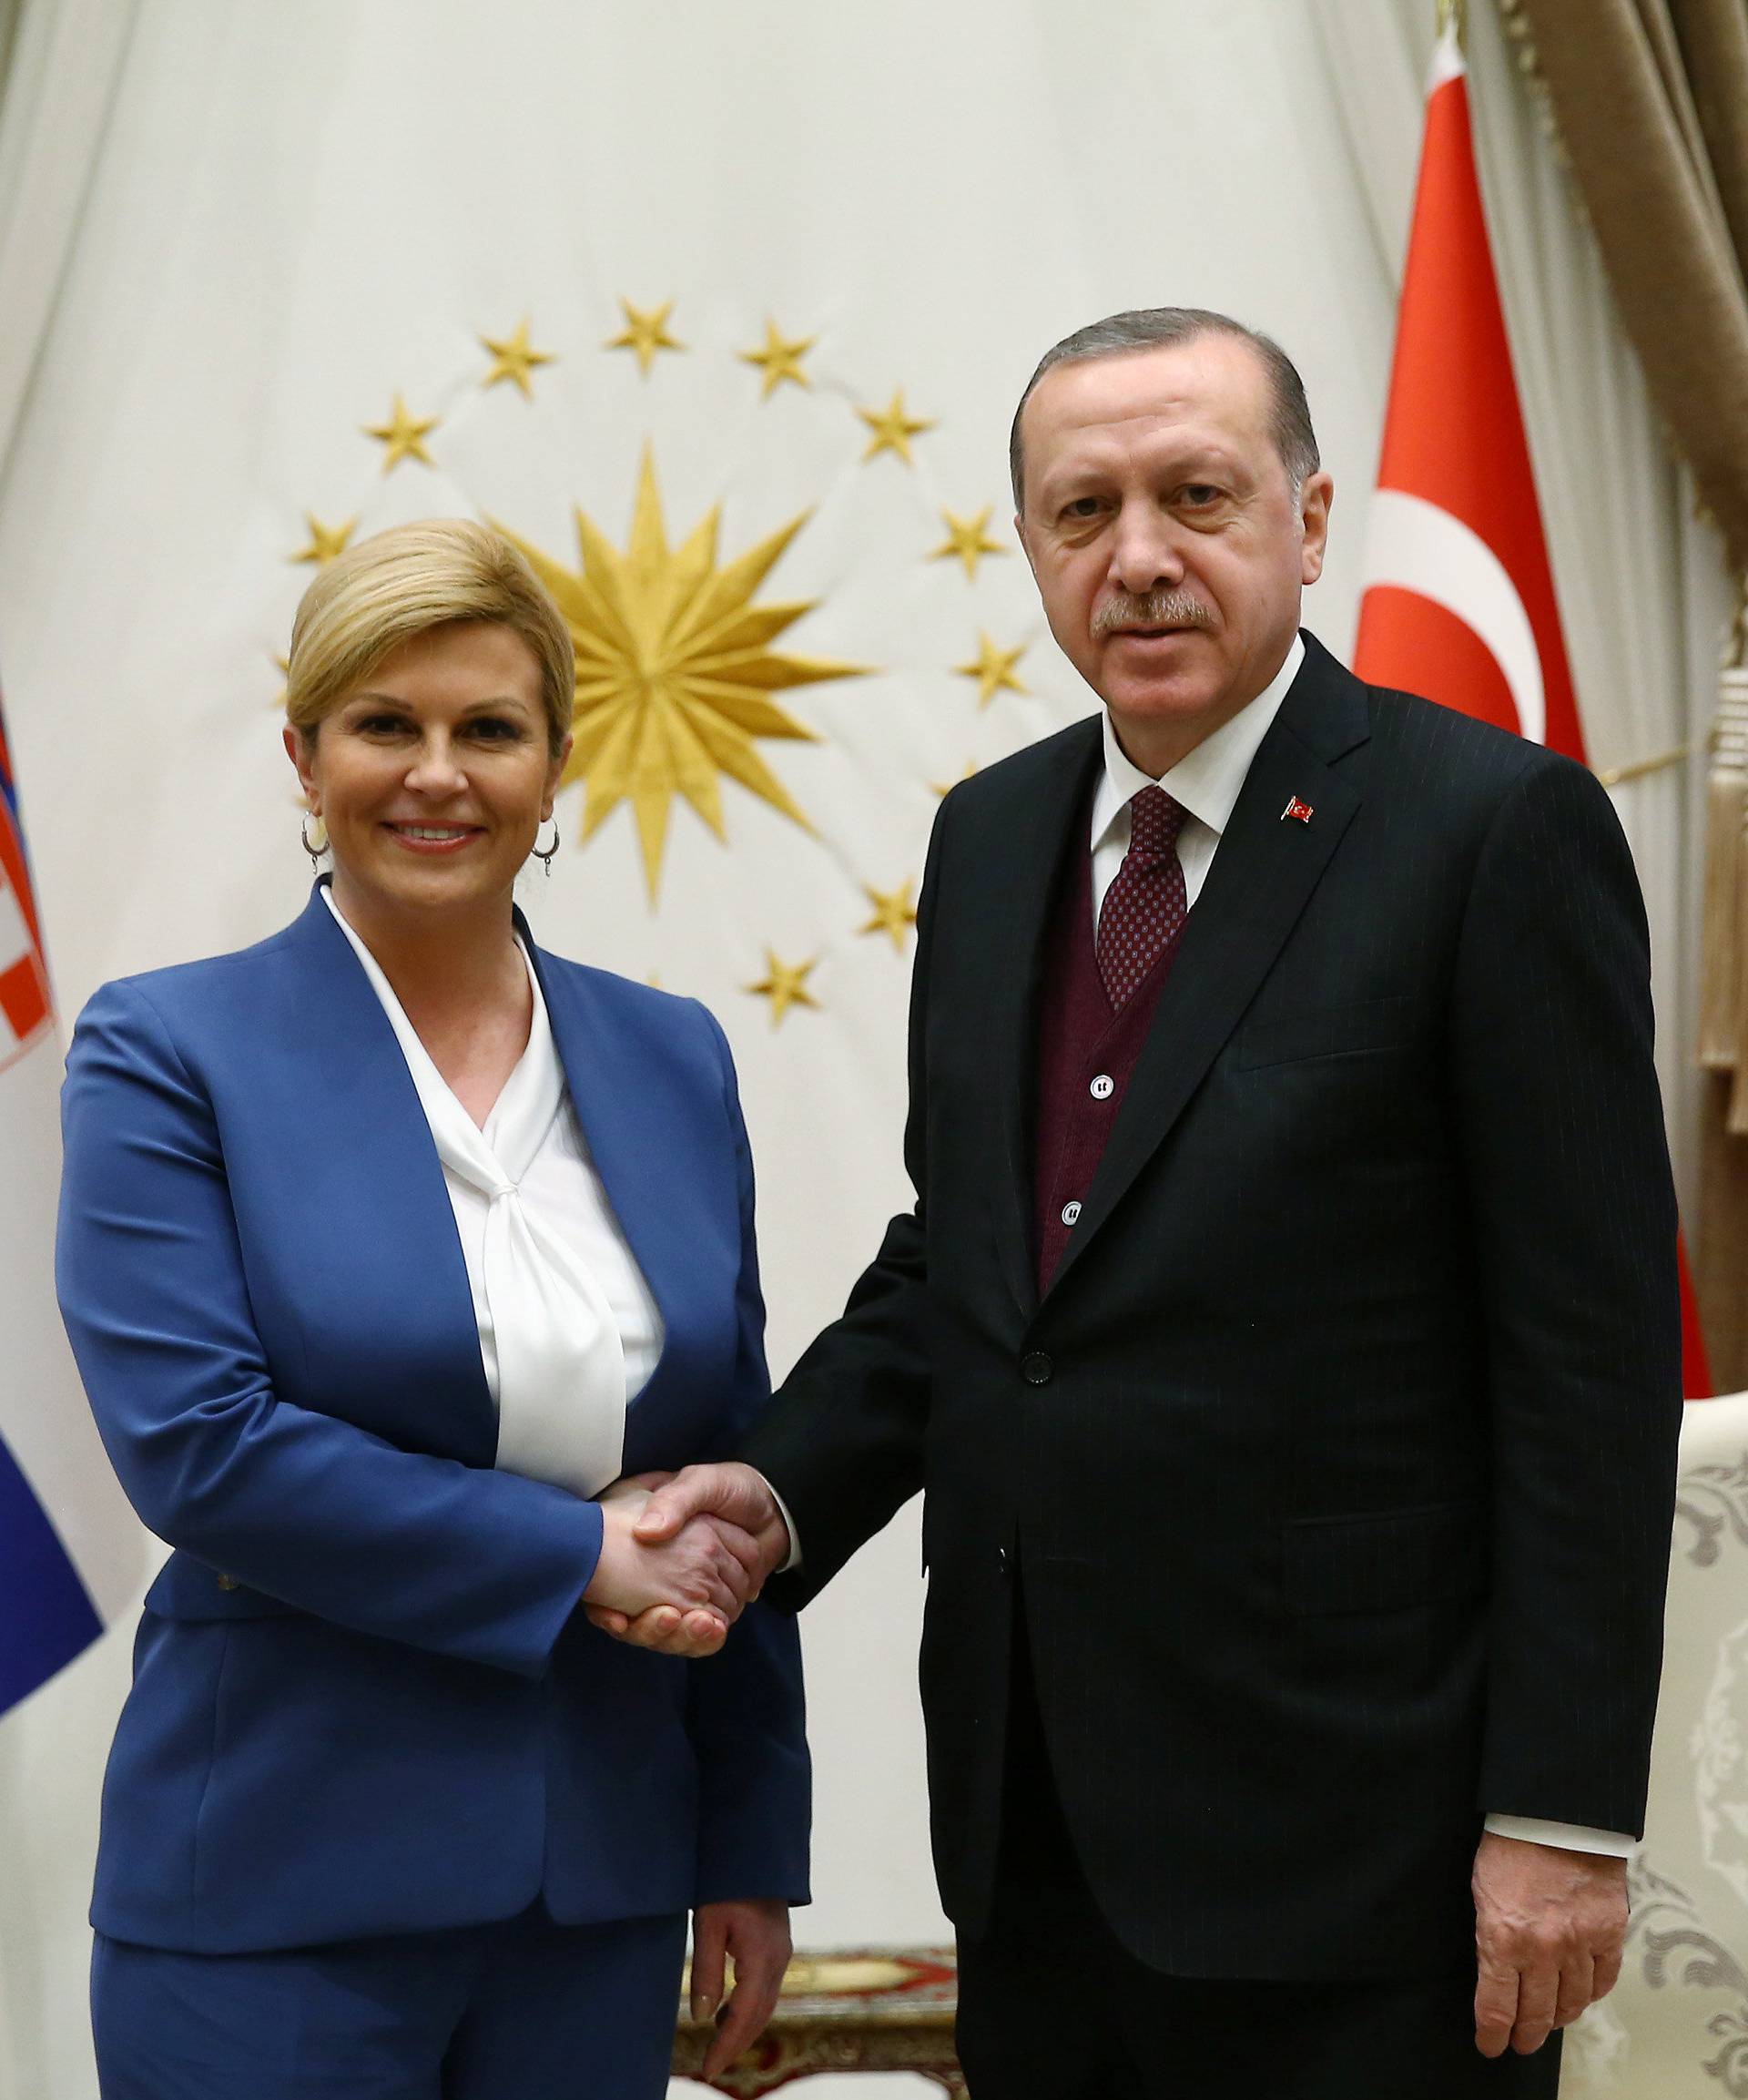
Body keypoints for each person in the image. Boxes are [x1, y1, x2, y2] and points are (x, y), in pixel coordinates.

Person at [593, 310, 1683, 2097]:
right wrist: (778, 1492)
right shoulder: (993, 836)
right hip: (1038, 1840)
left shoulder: (1494, 832)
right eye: (1082, 510)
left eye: (1197, 495)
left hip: (1371, 1854)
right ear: (1030, 547)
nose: (1141, 557)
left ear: (1311, 519)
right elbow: (980, 1265)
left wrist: (1558, 1814)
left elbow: (1588, 1360)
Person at [56, 520, 808, 2100]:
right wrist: (582, 1548)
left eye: (489, 729)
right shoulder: (167, 1051)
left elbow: (724, 1454)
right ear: (304, 755)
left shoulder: (673, 1056)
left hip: (598, 1885)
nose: (436, 774)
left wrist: (746, 1836)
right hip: (279, 1891)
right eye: (384, 725)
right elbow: (204, 1450)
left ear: (556, 767)